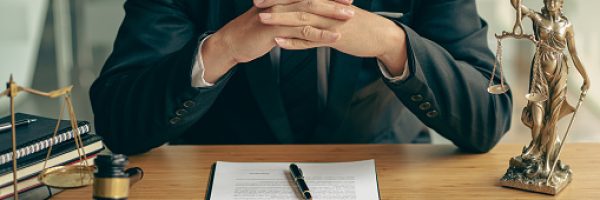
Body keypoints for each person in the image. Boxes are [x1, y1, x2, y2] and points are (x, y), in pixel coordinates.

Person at [90, 0, 512, 155]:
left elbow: (488, 117)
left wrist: (393, 43)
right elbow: (118, 123)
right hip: (215, 178)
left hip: (386, 175)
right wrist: (222, 49)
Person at [510, 0, 590, 175]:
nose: (551, 3)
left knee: (552, 120)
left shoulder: (567, 25)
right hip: (539, 73)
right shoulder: (538, 19)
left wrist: (585, 77)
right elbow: (518, 6)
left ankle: (546, 162)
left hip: (559, 73)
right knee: (538, 121)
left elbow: (574, 53)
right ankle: (537, 150)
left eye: (555, 0)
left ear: (561, 2)